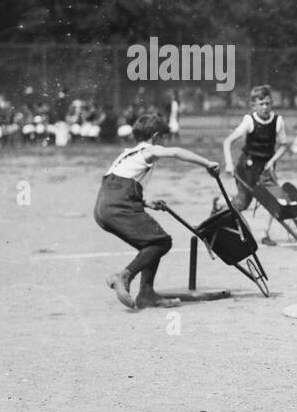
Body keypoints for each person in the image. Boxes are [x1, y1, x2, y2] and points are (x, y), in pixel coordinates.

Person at [94, 113, 220, 310]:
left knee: (151, 243)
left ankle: (147, 294)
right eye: (163, 138)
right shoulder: (149, 150)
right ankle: (124, 276)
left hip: (103, 208)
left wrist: (145, 202)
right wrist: (207, 163)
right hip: (118, 206)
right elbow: (176, 152)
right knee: (161, 241)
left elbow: (117, 186)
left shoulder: (126, 154)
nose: (165, 143)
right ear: (156, 136)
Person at [222, 85, 289, 245]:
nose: (265, 107)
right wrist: (229, 164)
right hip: (247, 168)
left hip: (266, 169)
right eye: (261, 104)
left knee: (276, 200)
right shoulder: (249, 121)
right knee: (243, 203)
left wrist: (272, 161)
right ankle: (220, 205)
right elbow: (228, 141)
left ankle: (265, 234)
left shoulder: (278, 121)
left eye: (267, 103)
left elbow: (284, 145)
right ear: (254, 105)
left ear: (271, 103)